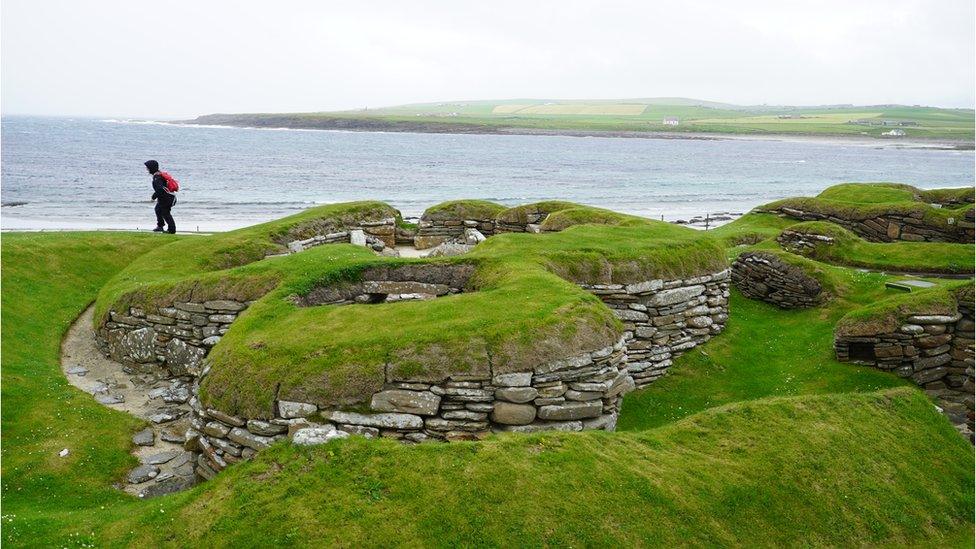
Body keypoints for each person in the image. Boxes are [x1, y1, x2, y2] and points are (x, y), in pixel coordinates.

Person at [145, 159, 176, 233]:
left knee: (165, 213)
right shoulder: (158, 175)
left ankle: (172, 230)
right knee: (158, 209)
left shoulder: (157, 177)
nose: (146, 169)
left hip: (167, 198)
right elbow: (161, 189)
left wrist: (153, 197)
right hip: (166, 197)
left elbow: (160, 189)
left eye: (147, 167)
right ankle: (160, 226)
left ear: (151, 168)